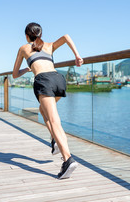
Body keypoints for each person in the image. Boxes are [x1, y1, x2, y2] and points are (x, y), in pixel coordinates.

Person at [12, 22, 83, 179]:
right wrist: (77, 56)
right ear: (40, 34)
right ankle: (55, 141)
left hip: (44, 81)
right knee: (43, 111)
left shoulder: (23, 48)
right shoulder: (49, 45)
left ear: (26, 35)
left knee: (54, 120)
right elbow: (66, 37)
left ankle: (68, 159)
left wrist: (26, 69)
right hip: (58, 79)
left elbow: (14, 74)